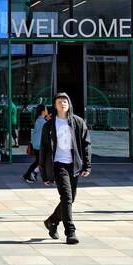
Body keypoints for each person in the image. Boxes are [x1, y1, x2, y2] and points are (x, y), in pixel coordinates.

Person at [39, 92, 91, 244]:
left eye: (65, 101)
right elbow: (43, 150)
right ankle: (70, 232)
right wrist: (44, 174)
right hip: (58, 165)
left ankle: (52, 221)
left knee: (70, 198)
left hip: (73, 165)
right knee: (67, 197)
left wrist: (86, 164)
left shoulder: (78, 122)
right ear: (55, 106)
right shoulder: (48, 126)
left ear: (69, 104)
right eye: (59, 101)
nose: (63, 103)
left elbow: (86, 144)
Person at [23, 103, 49, 182]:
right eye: (46, 109)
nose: (47, 110)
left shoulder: (39, 120)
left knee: (39, 161)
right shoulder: (42, 121)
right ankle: (29, 174)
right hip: (39, 145)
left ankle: (30, 174)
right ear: (43, 111)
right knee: (39, 161)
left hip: (37, 145)